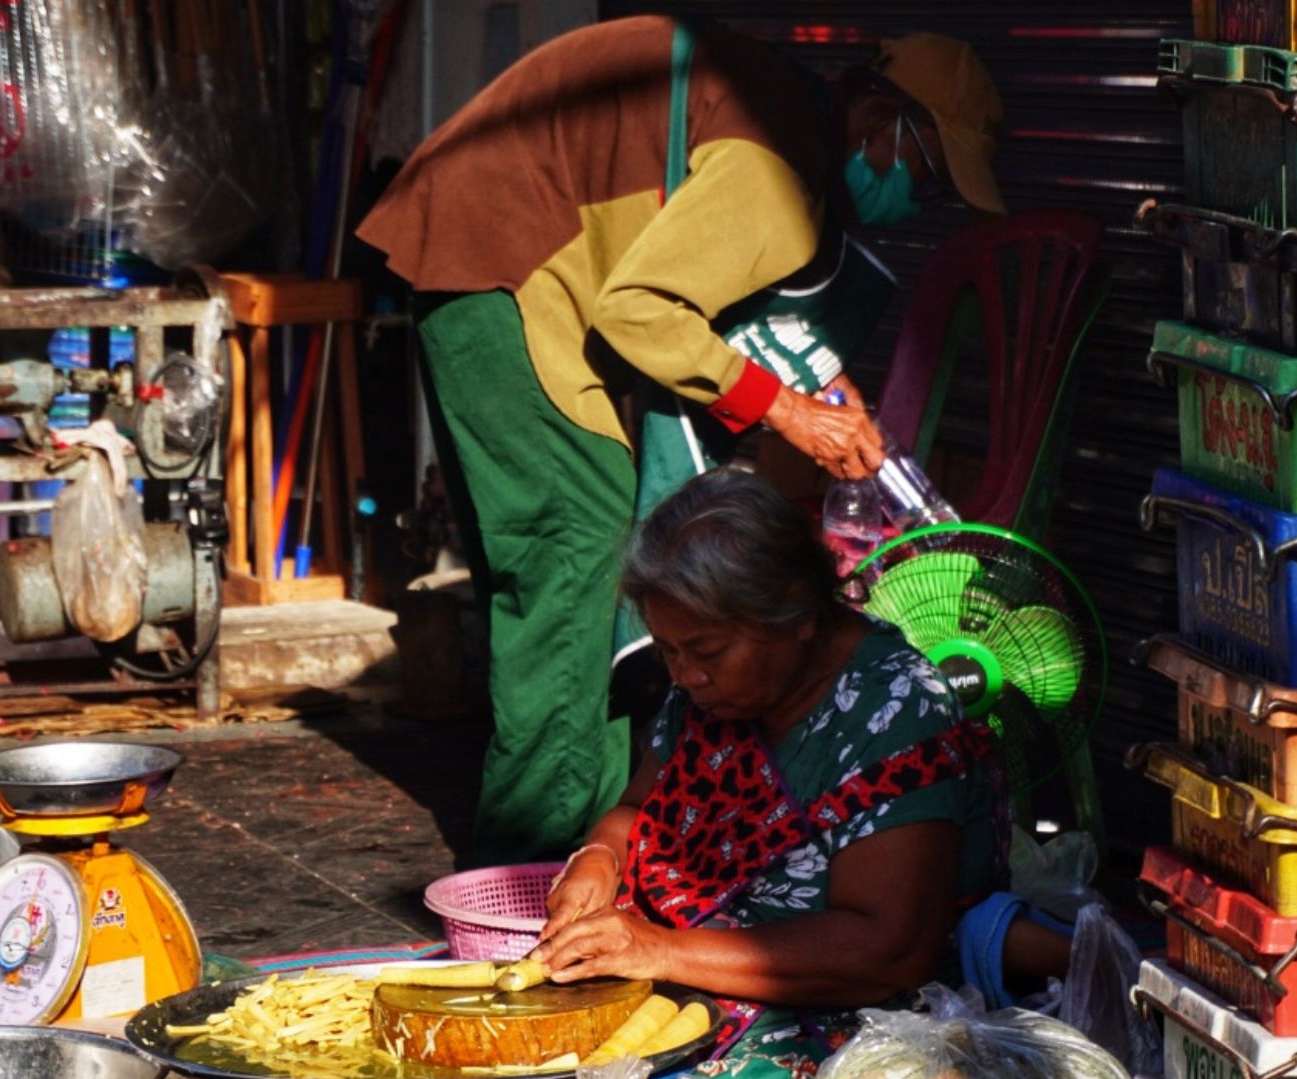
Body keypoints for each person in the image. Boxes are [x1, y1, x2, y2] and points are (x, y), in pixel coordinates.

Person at [357, 19, 1006, 864]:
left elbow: (718, 300)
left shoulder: (790, 127)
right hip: (508, 264)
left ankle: (593, 851)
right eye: (930, 172)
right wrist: (790, 414)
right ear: (883, 122)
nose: (923, 200)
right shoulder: (778, 163)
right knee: (578, 549)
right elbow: (639, 310)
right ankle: (530, 875)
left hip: (496, 250)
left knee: (580, 575)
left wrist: (818, 390)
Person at [480, 471, 1003, 1079]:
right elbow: (635, 810)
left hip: (845, 1007)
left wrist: (657, 949)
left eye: (707, 651)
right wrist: (596, 859)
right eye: (668, 652)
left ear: (795, 616)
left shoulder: (895, 709)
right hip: (689, 968)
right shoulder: (710, 695)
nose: (686, 676)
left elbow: (887, 948)